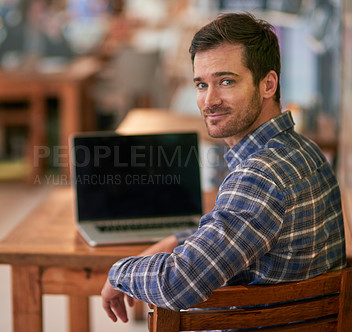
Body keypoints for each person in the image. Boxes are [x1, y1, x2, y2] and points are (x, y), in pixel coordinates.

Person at [101, 12, 346, 323]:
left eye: (226, 81)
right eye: (201, 85)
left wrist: (117, 272)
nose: (208, 100)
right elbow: (240, 227)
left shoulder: (258, 176)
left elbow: (178, 284)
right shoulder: (304, 150)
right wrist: (177, 240)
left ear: (268, 84)